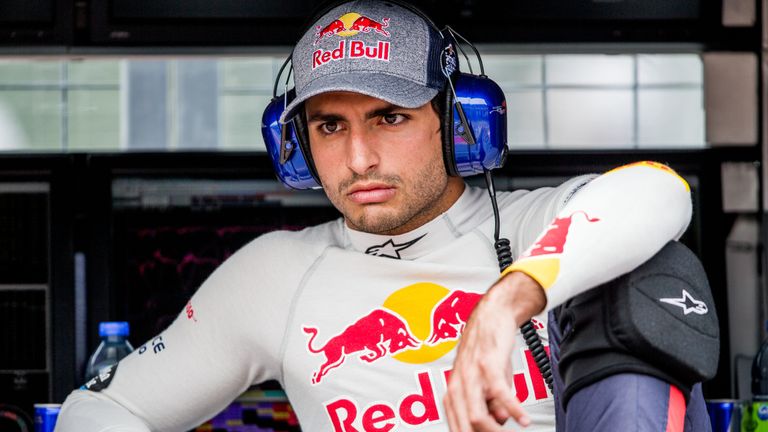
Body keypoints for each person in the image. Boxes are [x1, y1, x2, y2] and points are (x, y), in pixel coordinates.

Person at [57, 1, 714, 431]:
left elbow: (658, 192)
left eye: (390, 117)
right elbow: (102, 407)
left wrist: (506, 302)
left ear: (456, 124)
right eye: (330, 125)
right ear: (298, 144)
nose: (359, 157)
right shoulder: (275, 274)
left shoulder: (540, 227)